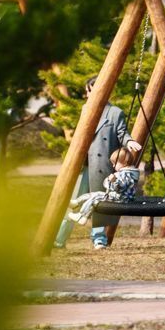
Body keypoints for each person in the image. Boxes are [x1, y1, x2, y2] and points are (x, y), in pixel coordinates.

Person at [54, 77, 142, 250]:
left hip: (102, 166)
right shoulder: (85, 110)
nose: (87, 94)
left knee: (100, 203)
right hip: (83, 165)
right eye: (88, 91)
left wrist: (129, 141)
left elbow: (122, 133)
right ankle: (59, 239)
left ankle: (98, 239)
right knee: (73, 201)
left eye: (90, 90)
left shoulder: (115, 112)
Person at [68, 145, 142, 227]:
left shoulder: (125, 174)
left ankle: (82, 216)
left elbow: (121, 188)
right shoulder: (127, 173)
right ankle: (76, 203)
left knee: (94, 198)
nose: (113, 166)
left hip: (120, 198)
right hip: (120, 197)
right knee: (95, 194)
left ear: (124, 162)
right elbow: (109, 184)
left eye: (115, 163)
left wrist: (114, 181)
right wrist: (110, 181)